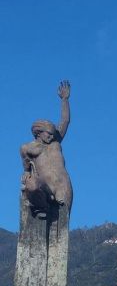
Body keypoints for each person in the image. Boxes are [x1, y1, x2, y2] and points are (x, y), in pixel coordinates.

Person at [20, 80, 73, 219]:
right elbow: (26, 164)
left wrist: (64, 100)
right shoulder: (28, 148)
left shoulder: (55, 143)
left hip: (63, 184)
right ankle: (42, 206)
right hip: (44, 185)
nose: (51, 136)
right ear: (38, 133)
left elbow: (65, 121)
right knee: (31, 184)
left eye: (52, 134)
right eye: (48, 134)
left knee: (62, 220)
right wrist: (26, 172)